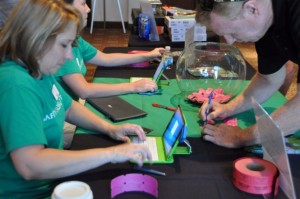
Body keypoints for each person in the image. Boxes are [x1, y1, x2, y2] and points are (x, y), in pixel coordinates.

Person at [0, 0, 151, 198]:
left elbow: (68, 107)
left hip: (52, 183)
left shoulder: (37, 68)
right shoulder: (16, 85)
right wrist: (111, 154)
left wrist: (110, 128)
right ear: (36, 38)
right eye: (64, 45)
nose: (70, 56)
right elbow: (30, 164)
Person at [195, 0, 300, 148]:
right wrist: (229, 108)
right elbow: (269, 79)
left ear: (252, 9)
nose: (230, 42)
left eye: (231, 32)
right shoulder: (267, 23)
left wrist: (243, 136)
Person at [56, 0, 165, 100]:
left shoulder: (75, 39)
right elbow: (84, 91)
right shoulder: (60, 48)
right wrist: (133, 86)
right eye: (83, 4)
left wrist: (148, 55)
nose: (88, 9)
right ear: (66, 8)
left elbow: (105, 58)